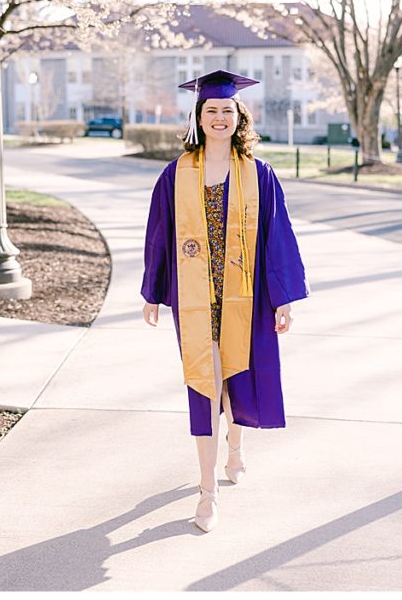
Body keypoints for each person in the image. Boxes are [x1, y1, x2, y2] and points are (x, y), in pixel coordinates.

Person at [141, 69, 309, 532]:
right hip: (194, 297)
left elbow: (278, 238)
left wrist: (283, 299)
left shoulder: (260, 175)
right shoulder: (175, 175)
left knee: (237, 379)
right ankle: (206, 492)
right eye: (211, 110)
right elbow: (159, 236)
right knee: (205, 385)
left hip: (247, 296)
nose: (219, 117)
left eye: (226, 111)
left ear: (239, 117)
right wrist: (152, 292)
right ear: (199, 116)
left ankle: (236, 446)